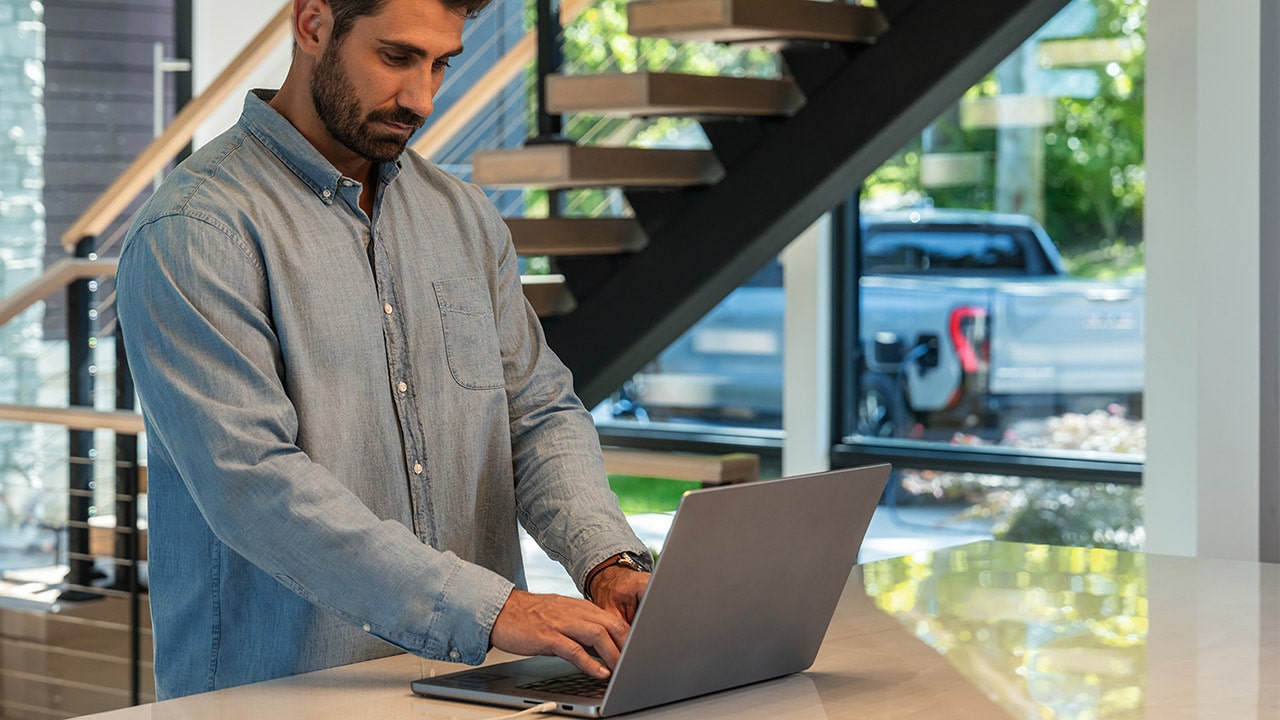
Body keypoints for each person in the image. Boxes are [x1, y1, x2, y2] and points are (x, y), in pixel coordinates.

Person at [115, 0, 651, 700]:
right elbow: (253, 484)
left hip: (478, 689)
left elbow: (537, 413)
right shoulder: (195, 230)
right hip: (276, 701)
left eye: (441, 64)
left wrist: (605, 559)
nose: (421, 98)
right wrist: (494, 610)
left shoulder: (461, 217)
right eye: (397, 57)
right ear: (313, 26)